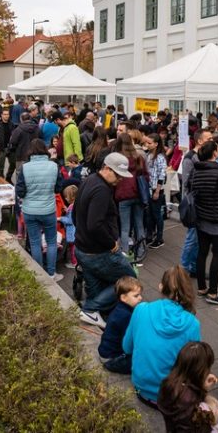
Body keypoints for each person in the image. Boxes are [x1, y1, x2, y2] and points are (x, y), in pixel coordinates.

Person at [123, 265, 201, 407]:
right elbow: (193, 366)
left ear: (160, 287)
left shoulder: (141, 309)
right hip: (170, 396)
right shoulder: (192, 324)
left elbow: (126, 347)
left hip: (141, 389)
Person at [74, 152, 137, 327]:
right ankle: (90, 309)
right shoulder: (101, 189)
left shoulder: (90, 180)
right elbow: (95, 224)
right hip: (98, 250)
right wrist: (111, 243)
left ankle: (97, 314)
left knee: (96, 287)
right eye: (117, 175)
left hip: (83, 247)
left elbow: (76, 212)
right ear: (106, 169)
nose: (120, 180)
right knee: (130, 281)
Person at [191, 141, 218, 306]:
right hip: (216, 217)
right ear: (215, 153)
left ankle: (202, 287)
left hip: (201, 216)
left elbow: (191, 189)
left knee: (202, 252)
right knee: (217, 254)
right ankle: (213, 293)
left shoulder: (197, 170)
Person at [158, 341, 218, 433]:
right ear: (200, 371)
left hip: (173, 428)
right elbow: (204, 426)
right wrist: (205, 393)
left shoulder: (168, 383)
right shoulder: (193, 403)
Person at [16, 139, 63, 280]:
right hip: (48, 209)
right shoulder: (54, 166)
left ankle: (39, 275)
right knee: (51, 242)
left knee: (35, 242)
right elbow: (58, 188)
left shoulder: (25, 167)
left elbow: (20, 190)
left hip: (30, 210)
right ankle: (51, 273)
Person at [179, 128, 212, 276]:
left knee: (198, 239)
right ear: (200, 141)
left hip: (202, 204)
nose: (212, 141)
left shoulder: (202, 156)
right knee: (192, 238)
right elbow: (186, 185)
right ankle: (183, 270)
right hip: (194, 205)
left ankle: (192, 267)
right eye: (209, 139)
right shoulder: (189, 158)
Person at [112, 133, 148, 261]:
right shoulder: (139, 157)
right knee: (139, 225)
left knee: (125, 227)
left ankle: (125, 255)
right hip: (138, 193)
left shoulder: (118, 159)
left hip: (123, 195)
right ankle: (141, 253)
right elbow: (146, 176)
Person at [99, 276, 144, 374]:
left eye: (140, 295)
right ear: (123, 297)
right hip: (112, 359)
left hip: (107, 353)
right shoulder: (125, 316)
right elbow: (129, 342)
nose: (140, 298)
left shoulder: (121, 309)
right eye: (136, 296)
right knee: (143, 363)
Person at [144, 133, 168, 250]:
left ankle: (159, 238)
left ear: (156, 144)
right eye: (146, 142)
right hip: (149, 188)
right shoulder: (148, 155)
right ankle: (150, 235)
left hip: (156, 189)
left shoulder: (160, 157)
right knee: (149, 214)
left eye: (149, 143)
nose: (147, 145)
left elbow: (162, 175)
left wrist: (157, 191)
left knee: (157, 214)